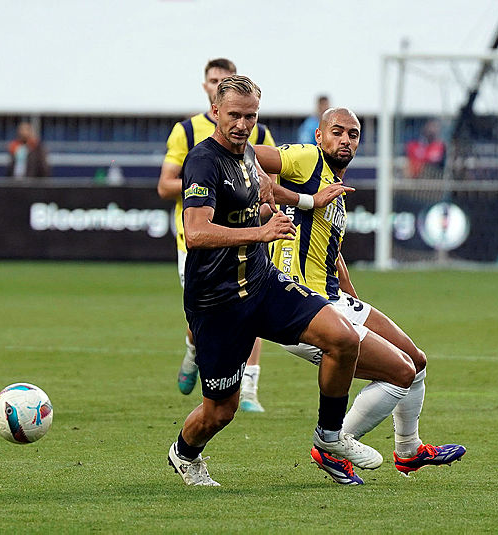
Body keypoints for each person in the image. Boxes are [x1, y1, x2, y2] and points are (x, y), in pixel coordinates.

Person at [167, 75, 381, 487]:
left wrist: (301, 204)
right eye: (234, 115)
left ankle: (331, 436)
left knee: (343, 339)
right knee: (221, 410)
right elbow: (196, 232)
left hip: (264, 284)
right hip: (219, 302)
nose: (243, 124)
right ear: (215, 111)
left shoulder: (248, 157)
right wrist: (259, 233)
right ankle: (184, 453)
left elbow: (266, 197)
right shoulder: (203, 161)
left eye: (251, 116)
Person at [255, 107, 465, 483]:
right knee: (399, 372)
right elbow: (248, 155)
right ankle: (333, 443)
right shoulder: (306, 159)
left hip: (334, 297)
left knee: (416, 362)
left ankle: (409, 450)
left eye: (353, 134)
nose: (346, 140)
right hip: (300, 305)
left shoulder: (335, 184)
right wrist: (304, 200)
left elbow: (329, 248)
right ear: (319, 136)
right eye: (337, 132)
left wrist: (352, 296)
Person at [157, 58, 275, 412]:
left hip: (250, 239)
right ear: (211, 94)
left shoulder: (258, 135)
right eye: (213, 80)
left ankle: (250, 388)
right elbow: (165, 185)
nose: (243, 123)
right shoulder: (189, 133)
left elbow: (265, 187)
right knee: (203, 318)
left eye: (224, 78)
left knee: (253, 307)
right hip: (200, 244)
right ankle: (193, 350)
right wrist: (210, 188)